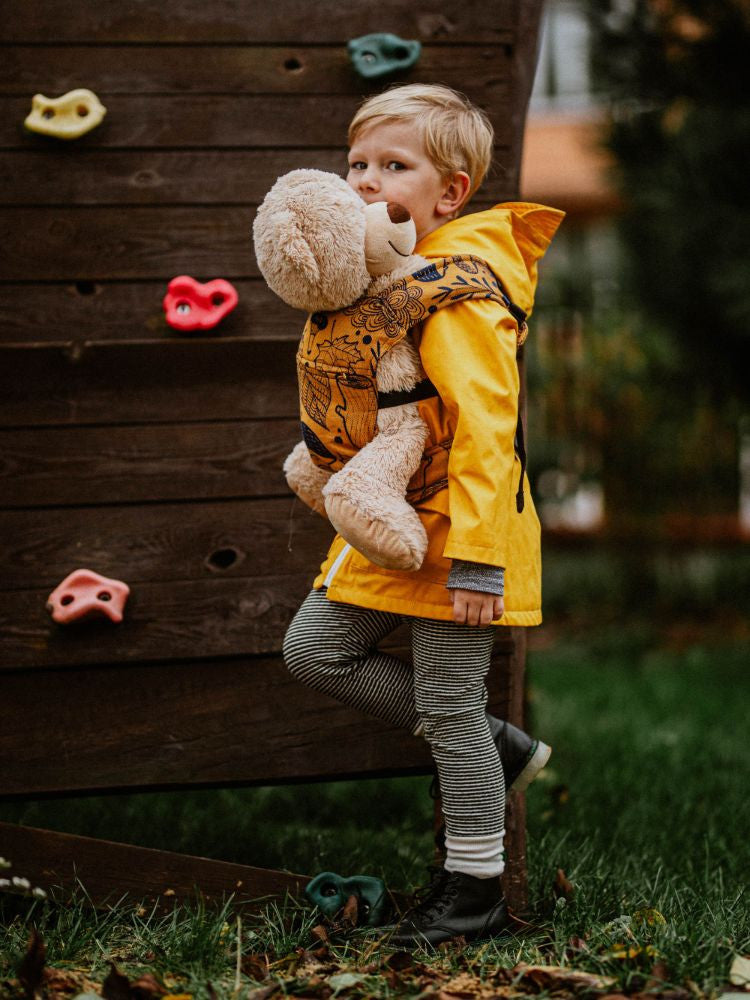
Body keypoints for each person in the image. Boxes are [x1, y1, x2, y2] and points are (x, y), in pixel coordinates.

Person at [282, 84, 564, 946]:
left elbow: (489, 429)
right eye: (357, 162)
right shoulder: (388, 280)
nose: (367, 181)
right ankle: (493, 743)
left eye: (394, 166)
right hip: (397, 526)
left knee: (445, 707)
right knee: (314, 650)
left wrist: (481, 558)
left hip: (455, 535)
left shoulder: (460, 289)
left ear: (450, 192)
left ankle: (472, 891)